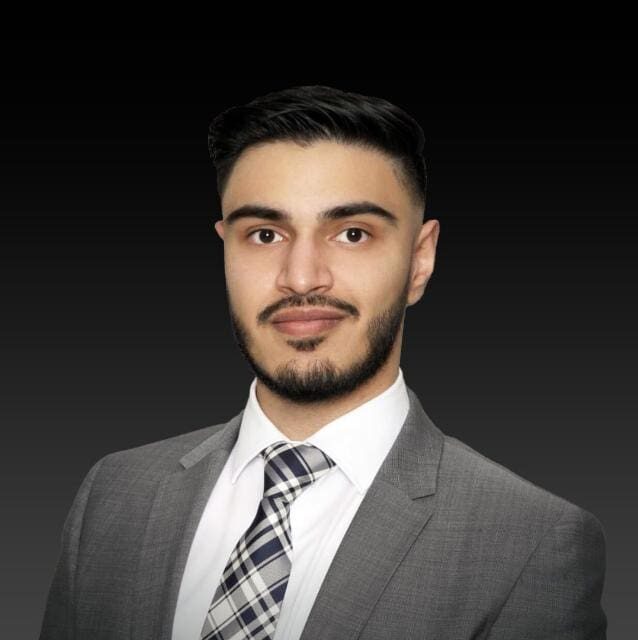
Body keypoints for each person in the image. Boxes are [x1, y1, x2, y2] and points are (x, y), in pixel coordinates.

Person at [39, 85, 608, 640]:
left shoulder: (530, 541)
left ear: (420, 260)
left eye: (352, 233)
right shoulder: (114, 492)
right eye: (264, 234)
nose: (302, 276)